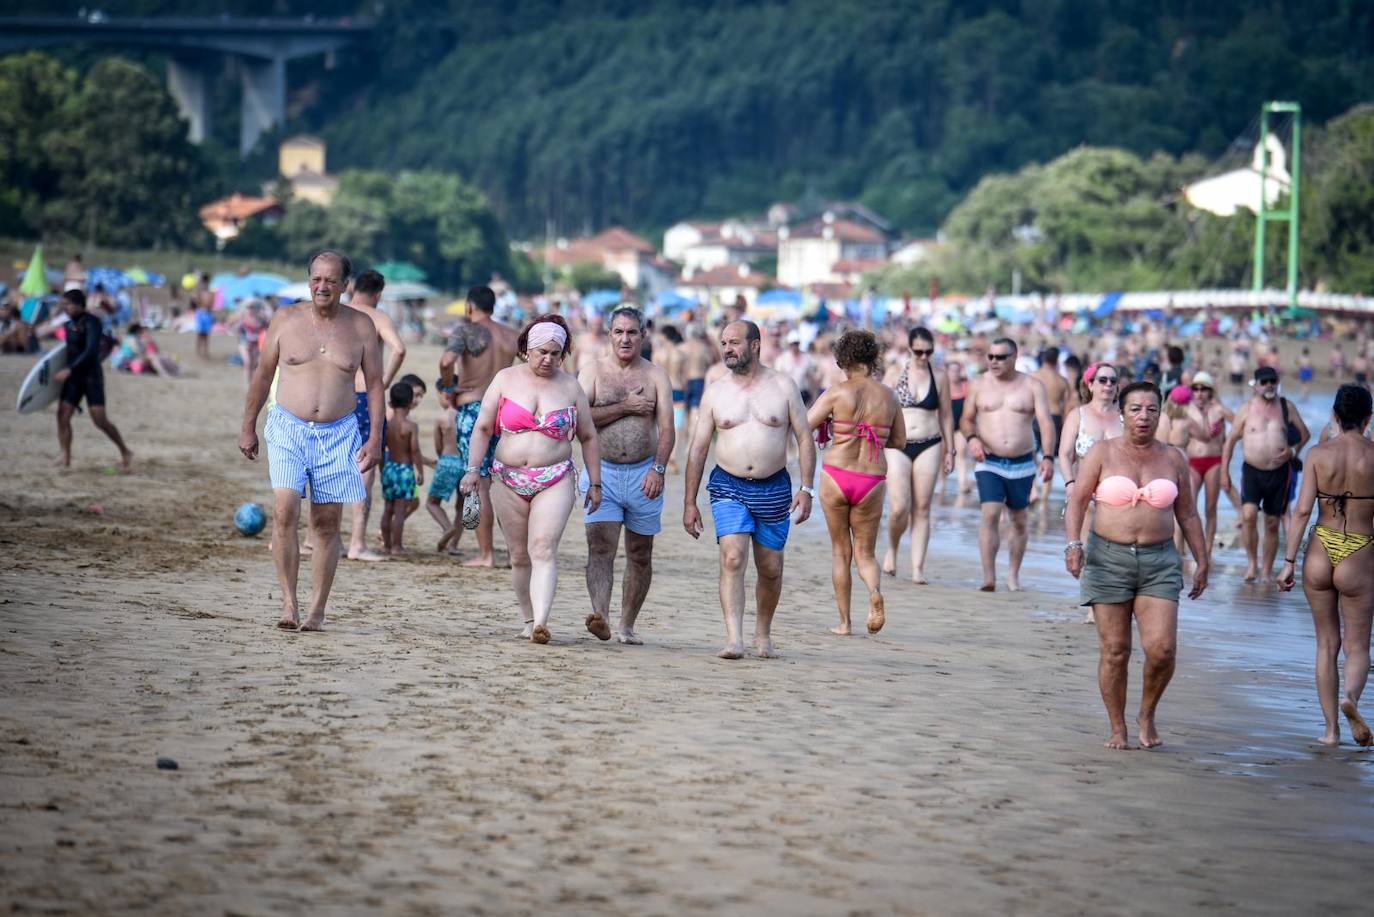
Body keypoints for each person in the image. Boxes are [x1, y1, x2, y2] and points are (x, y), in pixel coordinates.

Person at [238, 250, 382, 631]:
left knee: (326, 523)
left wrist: (376, 436)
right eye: (316, 279)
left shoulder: (362, 327)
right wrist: (248, 424)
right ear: (309, 281)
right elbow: (262, 373)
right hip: (288, 426)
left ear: (345, 285)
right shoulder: (286, 320)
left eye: (331, 280)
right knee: (285, 509)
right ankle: (289, 604)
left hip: (339, 434)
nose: (322, 286)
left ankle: (317, 610)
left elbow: (378, 384)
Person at [1065, 381, 1209, 749]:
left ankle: (1146, 713)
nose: (1143, 416)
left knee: (1162, 650)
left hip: (1160, 561)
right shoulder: (1101, 453)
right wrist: (1073, 545)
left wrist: (1202, 559)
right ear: (1122, 413)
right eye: (1135, 409)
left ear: (1161, 413)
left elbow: (1189, 514)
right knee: (1115, 650)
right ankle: (1118, 728)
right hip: (1107, 558)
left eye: (1151, 409)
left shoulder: (1174, 457)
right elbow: (1078, 501)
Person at [459, 315, 601, 644]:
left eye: (555, 352)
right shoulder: (505, 379)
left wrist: (595, 483)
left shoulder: (570, 386)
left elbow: (589, 437)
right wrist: (471, 469)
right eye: (541, 352)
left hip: (555, 477)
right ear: (526, 350)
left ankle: (541, 621)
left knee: (543, 548)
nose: (548, 358)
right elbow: (482, 427)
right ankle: (527, 617)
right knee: (519, 554)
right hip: (508, 477)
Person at [683, 319, 816, 659]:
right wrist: (689, 501)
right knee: (732, 557)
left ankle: (763, 634)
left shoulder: (783, 386)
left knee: (770, 569)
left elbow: (804, 438)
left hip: (774, 488)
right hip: (728, 484)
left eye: (734, 342)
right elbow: (698, 448)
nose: (727, 348)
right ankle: (734, 638)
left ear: (755, 345)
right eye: (724, 342)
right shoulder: (715, 391)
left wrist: (807, 488)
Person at [1278, 385, 1374, 747]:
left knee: (1325, 644)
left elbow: (1302, 510)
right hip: (1360, 549)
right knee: (1358, 646)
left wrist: (1288, 562)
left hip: (1321, 548)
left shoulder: (1319, 454)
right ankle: (1350, 696)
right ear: (1368, 419)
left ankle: (1330, 731)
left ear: (1334, 415)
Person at [578, 307, 676, 644]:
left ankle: (626, 625)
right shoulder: (591, 372)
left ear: (643, 335)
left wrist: (659, 469)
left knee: (639, 552)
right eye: (619, 331)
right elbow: (580, 420)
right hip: (600, 471)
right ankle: (600, 616)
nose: (625, 338)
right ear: (609, 334)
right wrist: (624, 407)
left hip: (643, 472)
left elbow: (667, 429)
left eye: (632, 332)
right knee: (600, 547)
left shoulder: (656, 376)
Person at [808, 330, 905, 634]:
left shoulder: (837, 393)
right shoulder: (889, 395)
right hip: (871, 479)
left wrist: (835, 426)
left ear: (842, 359)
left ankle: (845, 623)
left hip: (837, 474)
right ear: (873, 358)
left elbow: (804, 425)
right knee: (865, 553)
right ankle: (874, 593)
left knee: (841, 551)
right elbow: (900, 441)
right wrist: (873, 432)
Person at [960, 337, 1056, 592]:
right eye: (990, 356)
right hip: (988, 460)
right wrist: (972, 440)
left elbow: (1046, 423)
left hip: (1023, 461)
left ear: (1014, 357)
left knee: (1019, 520)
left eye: (1000, 357)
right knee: (990, 514)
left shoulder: (1032, 385)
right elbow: (966, 419)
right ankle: (988, 576)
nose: (994, 361)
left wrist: (1048, 456)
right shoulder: (979, 385)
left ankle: (1013, 575)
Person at [439, 285, 519, 566]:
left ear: (469, 306)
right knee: (509, 485)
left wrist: (449, 386)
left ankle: (486, 554)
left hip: (474, 408)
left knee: (479, 483)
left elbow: (447, 360)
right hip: (507, 412)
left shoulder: (465, 331)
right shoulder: (512, 334)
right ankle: (514, 554)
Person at [1221, 366, 1311, 583]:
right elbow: (1230, 441)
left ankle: (1265, 571)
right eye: (1264, 381)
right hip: (1252, 471)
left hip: (1279, 473)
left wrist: (1292, 451)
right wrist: (1224, 473)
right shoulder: (1246, 408)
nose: (1269, 384)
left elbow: (1305, 434)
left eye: (1272, 380)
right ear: (1256, 386)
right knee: (1248, 516)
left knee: (1272, 522)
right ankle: (1252, 563)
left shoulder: (1286, 406)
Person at [881, 326, 952, 582]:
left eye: (928, 351)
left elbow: (945, 414)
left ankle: (917, 568)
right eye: (919, 351)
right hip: (899, 444)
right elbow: (880, 405)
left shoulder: (940, 376)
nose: (924, 356)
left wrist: (950, 450)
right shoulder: (895, 372)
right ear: (910, 349)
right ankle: (892, 548)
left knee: (922, 507)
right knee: (900, 507)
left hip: (930, 442)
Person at [344, 270, 407, 562]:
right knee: (365, 469)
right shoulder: (376, 316)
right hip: (366, 397)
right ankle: (357, 543)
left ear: (351, 288)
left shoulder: (339, 313)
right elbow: (399, 348)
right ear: (378, 294)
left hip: (335, 397)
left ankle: (311, 540)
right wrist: (382, 382)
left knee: (323, 464)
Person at [53, 289, 133, 472]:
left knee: (100, 420)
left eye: (68, 304)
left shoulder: (92, 323)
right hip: (74, 378)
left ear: (79, 305)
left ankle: (125, 451)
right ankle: (65, 455)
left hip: (91, 376)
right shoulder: (67, 326)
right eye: (63, 304)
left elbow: (90, 352)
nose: (65, 308)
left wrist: (69, 369)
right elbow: (67, 352)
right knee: (62, 415)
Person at [1058, 361, 1124, 529]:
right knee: (1083, 548)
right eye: (1102, 380)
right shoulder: (1077, 415)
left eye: (1113, 381)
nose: (1108, 384)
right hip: (1084, 494)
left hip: (1118, 496)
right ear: (1090, 385)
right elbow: (1064, 455)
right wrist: (1070, 484)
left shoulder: (1125, 417)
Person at [1182, 371, 1235, 562]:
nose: (1199, 392)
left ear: (1210, 391)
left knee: (1210, 507)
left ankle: (1208, 550)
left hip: (1213, 461)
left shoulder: (1218, 409)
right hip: (1192, 462)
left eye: (1203, 388)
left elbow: (1241, 425)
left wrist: (1227, 442)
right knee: (1188, 507)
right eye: (1195, 388)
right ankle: (1185, 549)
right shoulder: (1187, 409)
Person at [379, 382, 424, 556]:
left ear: (390, 403)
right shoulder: (411, 426)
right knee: (399, 511)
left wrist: (383, 469)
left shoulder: (387, 424)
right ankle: (397, 546)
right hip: (404, 471)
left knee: (387, 509)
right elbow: (414, 451)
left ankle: (386, 545)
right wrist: (419, 471)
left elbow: (382, 449)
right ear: (410, 402)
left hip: (389, 468)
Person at [1030, 345, 1070, 503]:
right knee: (1050, 458)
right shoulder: (1062, 381)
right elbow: (1066, 407)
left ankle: (1032, 489)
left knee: (1030, 455)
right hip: (1054, 419)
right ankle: (1045, 497)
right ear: (1056, 361)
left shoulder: (1033, 376)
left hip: (1035, 418)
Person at [427, 387, 464, 553]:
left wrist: (441, 459)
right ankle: (454, 545)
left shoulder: (442, 418)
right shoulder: (465, 417)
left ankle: (447, 528)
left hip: (448, 461)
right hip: (465, 462)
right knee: (461, 506)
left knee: (432, 503)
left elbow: (438, 445)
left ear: (443, 395)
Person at [193, 273, 213, 361]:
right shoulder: (200, 292)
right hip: (201, 313)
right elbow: (197, 301)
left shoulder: (210, 293)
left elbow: (211, 303)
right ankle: (198, 351)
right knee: (199, 334)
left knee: (206, 335)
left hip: (207, 313)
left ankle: (205, 351)